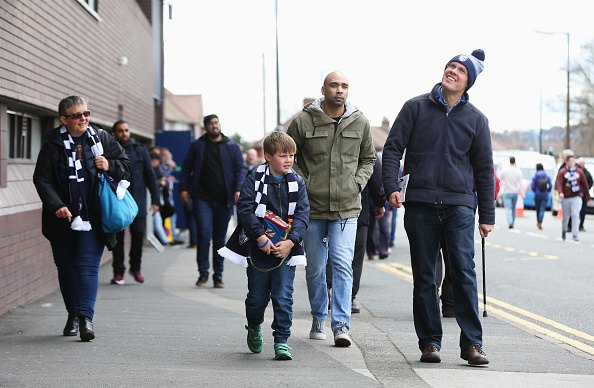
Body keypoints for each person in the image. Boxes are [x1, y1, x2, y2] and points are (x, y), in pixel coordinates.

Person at [382, 49, 494, 365]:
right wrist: (391, 185)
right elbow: (392, 150)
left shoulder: (476, 120)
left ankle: (472, 343)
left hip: (459, 206)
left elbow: (485, 170)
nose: (453, 71)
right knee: (425, 278)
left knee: (464, 275)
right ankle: (430, 342)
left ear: (468, 81)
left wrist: (487, 215)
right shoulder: (415, 107)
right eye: (450, 66)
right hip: (419, 204)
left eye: (460, 69)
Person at [286, 71, 376, 347]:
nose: (340, 90)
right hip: (311, 208)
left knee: (341, 265)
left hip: (347, 208)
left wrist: (356, 184)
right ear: (323, 89)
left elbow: (368, 159)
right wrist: (304, 182)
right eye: (334, 85)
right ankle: (318, 317)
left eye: (344, 86)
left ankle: (341, 326)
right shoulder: (303, 121)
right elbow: (289, 156)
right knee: (314, 268)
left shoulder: (359, 121)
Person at [33, 96, 131, 341]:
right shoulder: (53, 143)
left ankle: (86, 318)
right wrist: (56, 204)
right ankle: (73, 314)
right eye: (77, 115)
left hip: (93, 217)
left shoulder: (103, 139)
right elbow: (42, 178)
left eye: (86, 113)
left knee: (87, 268)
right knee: (66, 269)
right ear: (64, 119)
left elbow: (127, 166)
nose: (83, 118)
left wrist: (109, 164)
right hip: (61, 219)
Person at [225, 131, 309, 360]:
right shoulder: (254, 178)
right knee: (257, 298)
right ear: (268, 156)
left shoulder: (297, 182)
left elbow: (302, 214)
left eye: (292, 155)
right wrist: (260, 238)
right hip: (258, 248)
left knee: (283, 296)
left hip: (286, 249)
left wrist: (291, 242)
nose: (289, 160)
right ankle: (253, 326)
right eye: (283, 155)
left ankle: (282, 340)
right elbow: (245, 209)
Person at [179, 114, 245, 288]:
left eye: (216, 123)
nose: (214, 126)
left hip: (224, 200)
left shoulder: (231, 146)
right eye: (211, 124)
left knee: (219, 239)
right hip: (202, 199)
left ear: (220, 125)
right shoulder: (197, 146)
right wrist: (183, 188)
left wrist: (238, 189)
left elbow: (240, 170)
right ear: (206, 127)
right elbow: (186, 168)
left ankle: (218, 275)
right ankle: (203, 272)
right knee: (203, 235)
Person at [110, 121, 160, 284]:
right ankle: (118, 272)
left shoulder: (140, 149)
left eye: (126, 130)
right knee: (117, 238)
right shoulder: (109, 149)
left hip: (136, 202)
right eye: (120, 131)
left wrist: (155, 199)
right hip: (117, 202)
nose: (124, 133)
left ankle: (135, 268)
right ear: (114, 133)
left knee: (138, 235)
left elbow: (150, 175)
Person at [556, 155, 591, 241]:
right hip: (566, 197)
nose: (571, 163)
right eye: (570, 161)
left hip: (577, 196)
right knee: (566, 216)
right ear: (567, 162)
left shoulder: (579, 172)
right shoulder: (563, 172)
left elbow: (585, 184)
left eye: (573, 161)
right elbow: (559, 183)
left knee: (575, 214)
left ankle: (575, 234)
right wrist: (560, 192)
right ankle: (564, 230)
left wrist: (588, 196)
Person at [158, 148, 183, 245]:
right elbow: (163, 174)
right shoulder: (160, 166)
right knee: (168, 215)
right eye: (165, 155)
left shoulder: (166, 166)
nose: (167, 157)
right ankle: (168, 237)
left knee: (173, 216)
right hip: (163, 196)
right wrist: (170, 168)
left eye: (168, 156)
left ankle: (173, 236)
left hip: (170, 194)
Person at [499, 156, 524, 228]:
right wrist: (522, 194)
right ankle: (512, 222)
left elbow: (499, 179)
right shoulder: (518, 171)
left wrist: (498, 189)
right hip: (515, 191)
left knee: (507, 208)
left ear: (509, 161)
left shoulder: (505, 170)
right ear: (515, 162)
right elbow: (521, 183)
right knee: (513, 208)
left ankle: (509, 221)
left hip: (507, 191)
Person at [530, 163, 552, 230]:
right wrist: (547, 191)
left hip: (537, 194)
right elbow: (550, 186)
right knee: (542, 209)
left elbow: (532, 186)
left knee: (538, 209)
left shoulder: (535, 176)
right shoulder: (547, 176)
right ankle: (540, 222)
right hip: (545, 194)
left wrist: (535, 191)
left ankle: (538, 221)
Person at [577, 157, 593, 232]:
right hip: (576, 195)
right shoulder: (575, 172)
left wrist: (587, 191)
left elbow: (590, 183)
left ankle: (581, 225)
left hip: (584, 195)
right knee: (575, 211)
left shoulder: (587, 173)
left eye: (582, 163)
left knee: (583, 211)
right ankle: (573, 225)